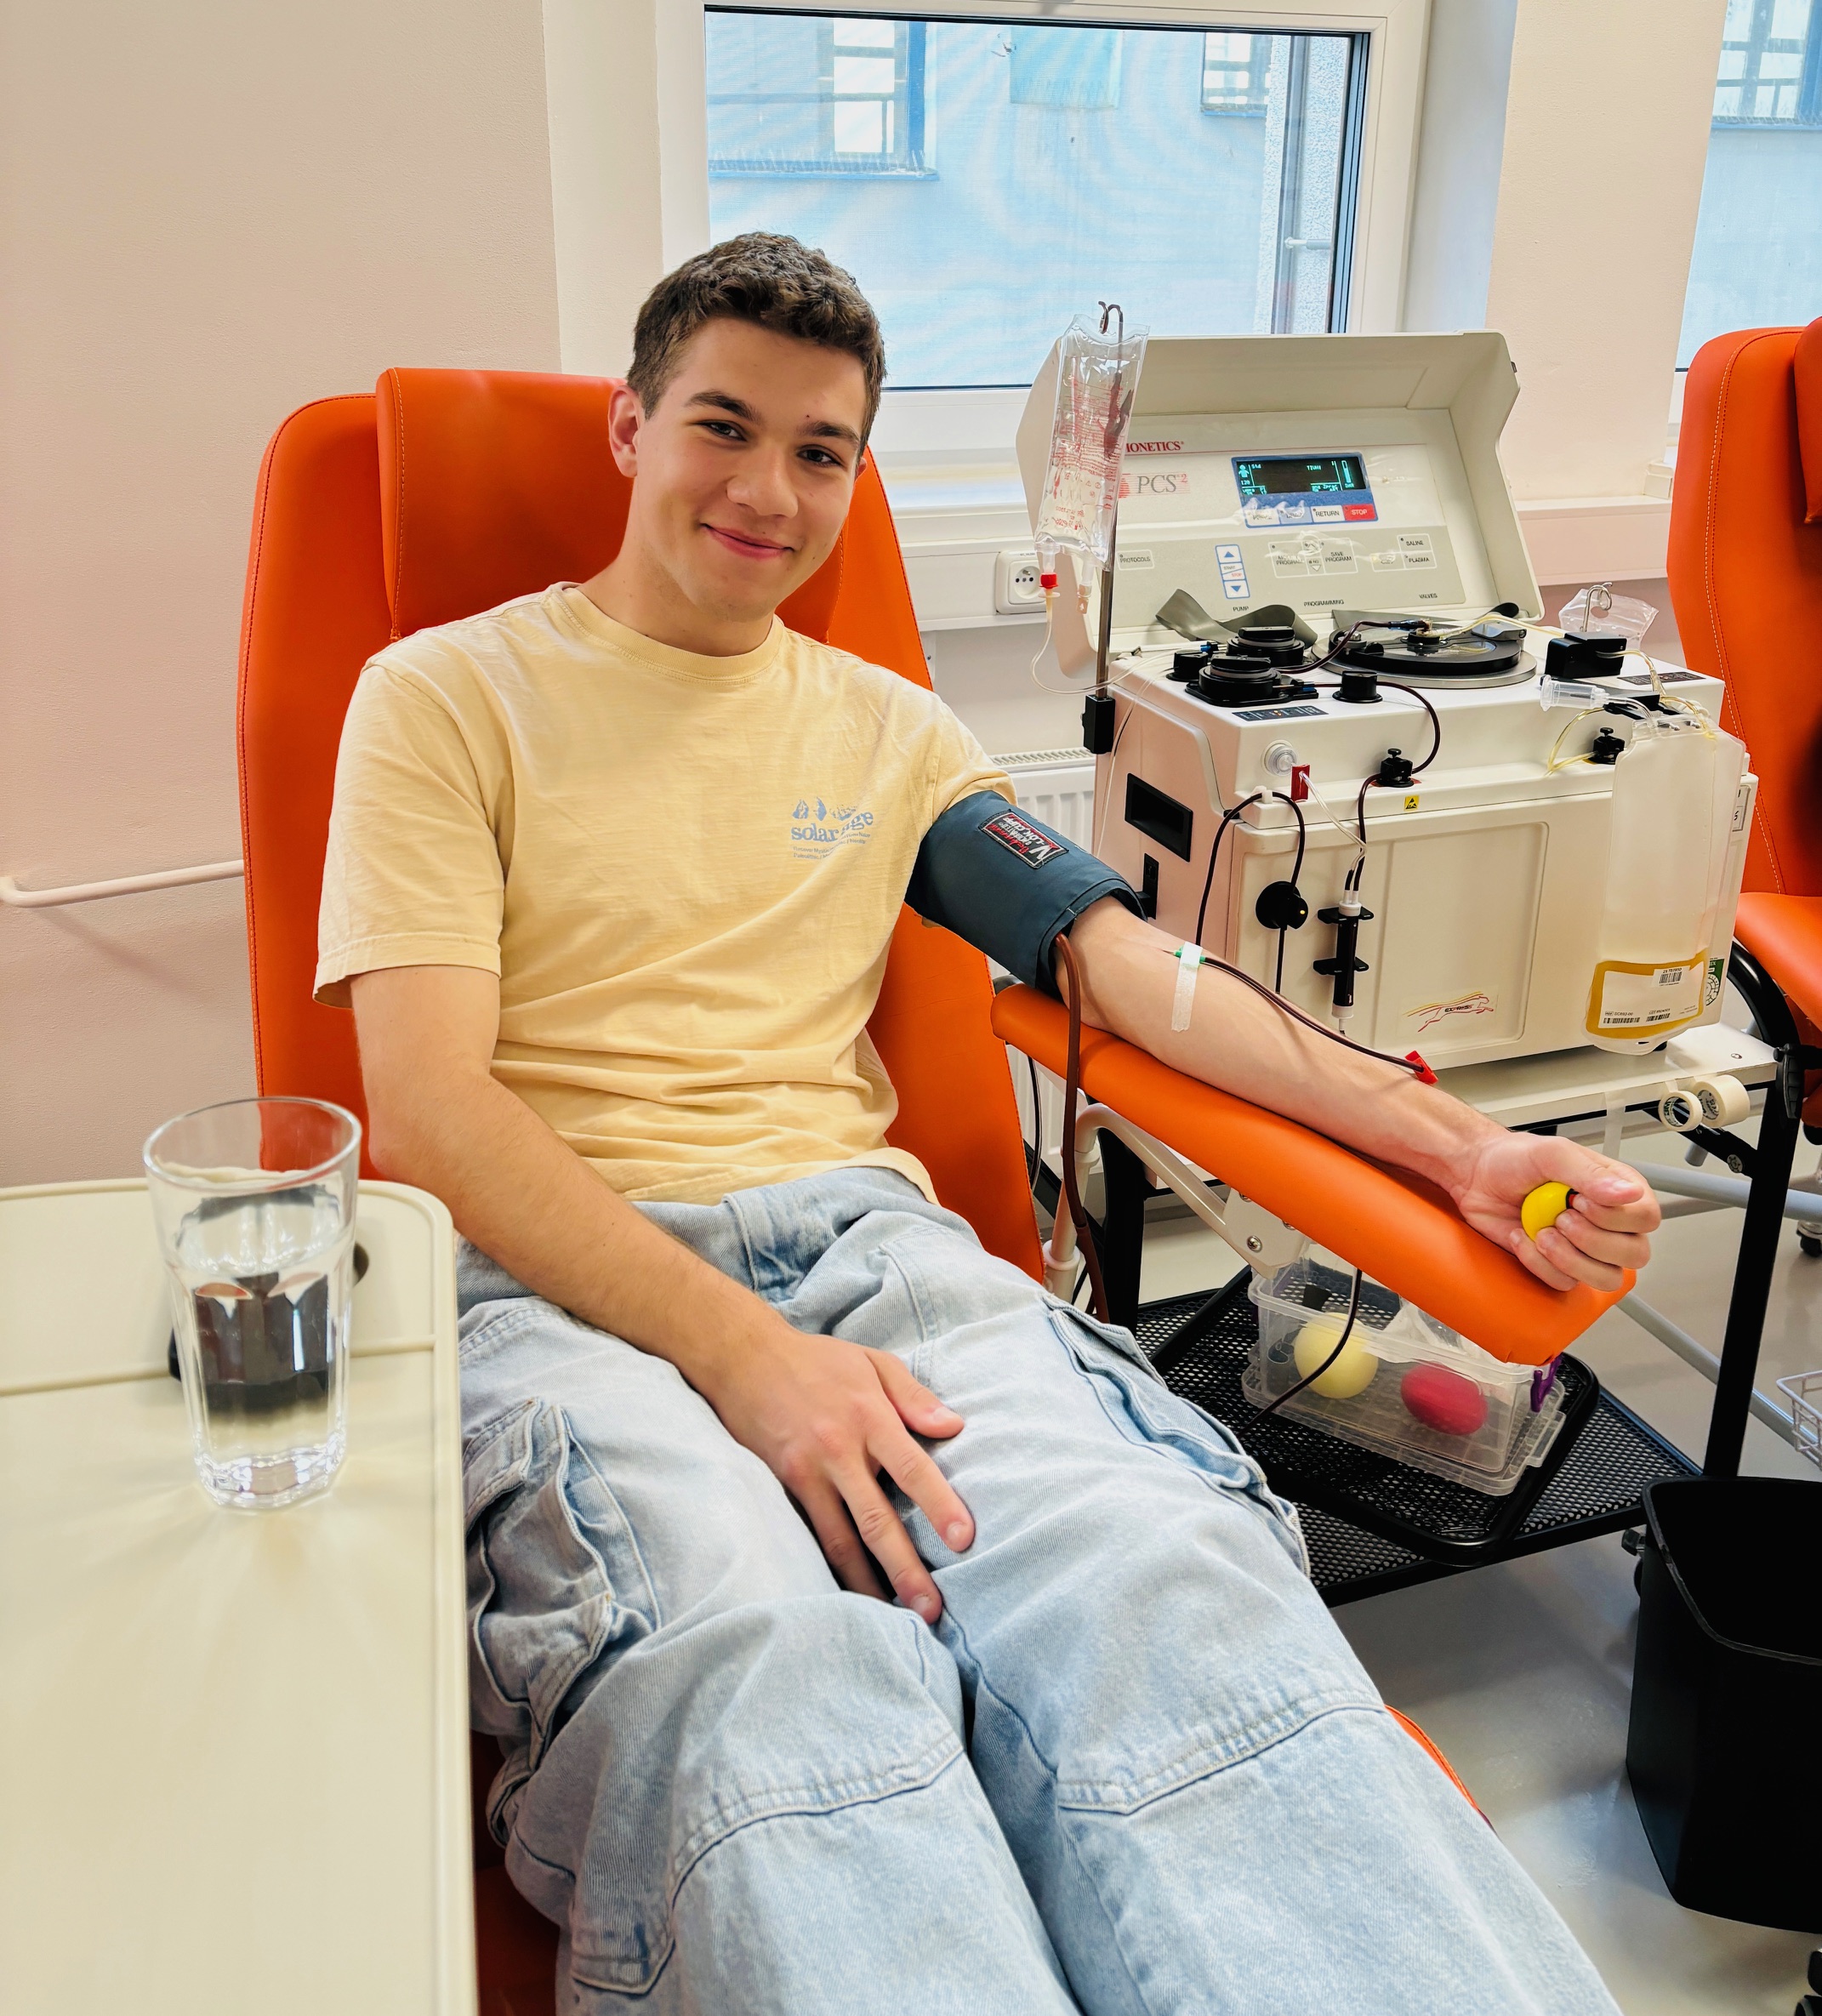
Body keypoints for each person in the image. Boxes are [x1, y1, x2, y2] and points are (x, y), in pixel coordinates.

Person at [318, 234, 1654, 2014]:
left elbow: (1141, 977)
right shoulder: (445, 696)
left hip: (873, 1266)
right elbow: (428, 1116)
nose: (770, 491)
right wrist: (745, 1359)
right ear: (631, 430)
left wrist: (1463, 1151)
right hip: (562, 1292)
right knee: (763, 1667)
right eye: (722, 426)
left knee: (1154, 1577)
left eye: (821, 451)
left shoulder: (888, 732)